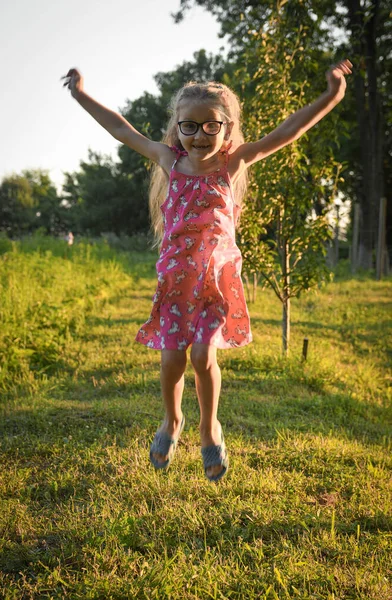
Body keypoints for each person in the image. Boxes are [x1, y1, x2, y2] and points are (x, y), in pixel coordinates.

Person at [62, 58, 352, 481]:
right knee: (171, 360)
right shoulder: (168, 160)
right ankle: (171, 420)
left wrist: (332, 94)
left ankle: (209, 427)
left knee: (202, 355)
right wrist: (81, 93)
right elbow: (121, 129)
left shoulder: (233, 163)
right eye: (190, 126)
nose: (200, 135)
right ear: (177, 128)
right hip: (177, 280)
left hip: (216, 280)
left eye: (211, 126)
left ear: (227, 128)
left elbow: (288, 131)